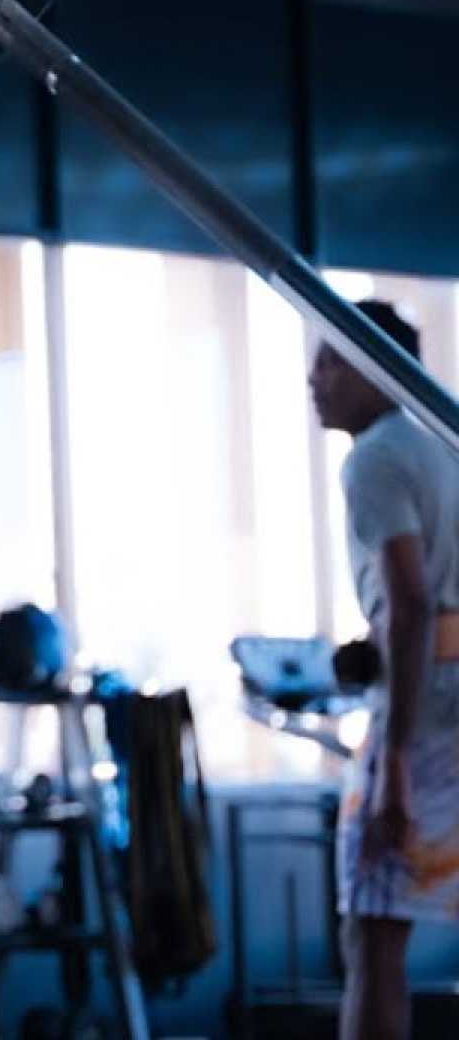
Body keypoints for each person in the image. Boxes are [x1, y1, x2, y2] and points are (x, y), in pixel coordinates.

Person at [310, 300, 459, 1040]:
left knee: (371, 933)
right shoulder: (444, 442)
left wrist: (394, 763)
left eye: (333, 360)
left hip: (427, 721)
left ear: (377, 369)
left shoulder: (373, 457)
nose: (314, 377)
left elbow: (411, 600)